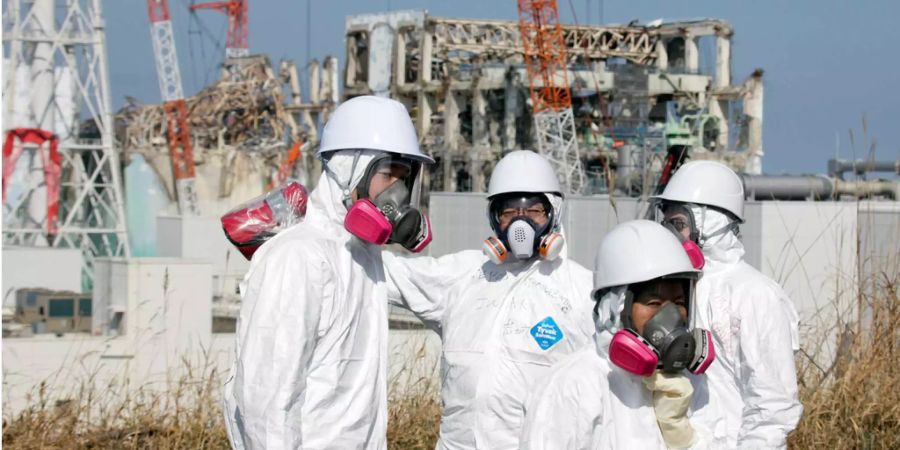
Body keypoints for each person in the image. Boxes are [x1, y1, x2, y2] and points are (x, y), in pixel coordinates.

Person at [222, 96, 434, 449]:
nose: (396, 192)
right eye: (387, 174)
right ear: (347, 168)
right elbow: (266, 400)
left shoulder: (364, 256)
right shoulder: (298, 256)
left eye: (404, 177)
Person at [383, 150, 596, 449]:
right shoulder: (465, 274)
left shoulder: (581, 289)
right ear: (494, 219)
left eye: (533, 211)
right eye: (508, 213)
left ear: (553, 214)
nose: (521, 225)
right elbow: (386, 273)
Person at [520, 220, 722, 450]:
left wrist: (679, 434)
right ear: (615, 308)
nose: (671, 315)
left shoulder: (690, 382)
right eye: (654, 302)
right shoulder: (573, 385)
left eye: (679, 302)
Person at [653, 160, 802, 448]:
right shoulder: (671, 288)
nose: (669, 235)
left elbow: (773, 407)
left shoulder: (754, 294)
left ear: (713, 223)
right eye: (666, 223)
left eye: (679, 224)